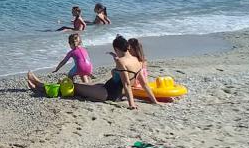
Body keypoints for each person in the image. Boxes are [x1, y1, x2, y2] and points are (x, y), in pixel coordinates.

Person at [27, 35, 159, 109]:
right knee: (87, 85)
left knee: (72, 86)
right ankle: (39, 86)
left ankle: (39, 86)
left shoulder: (121, 62)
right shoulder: (137, 60)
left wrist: (132, 105)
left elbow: (126, 84)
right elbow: (144, 83)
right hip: (113, 92)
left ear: (117, 48)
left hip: (107, 93)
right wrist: (154, 101)